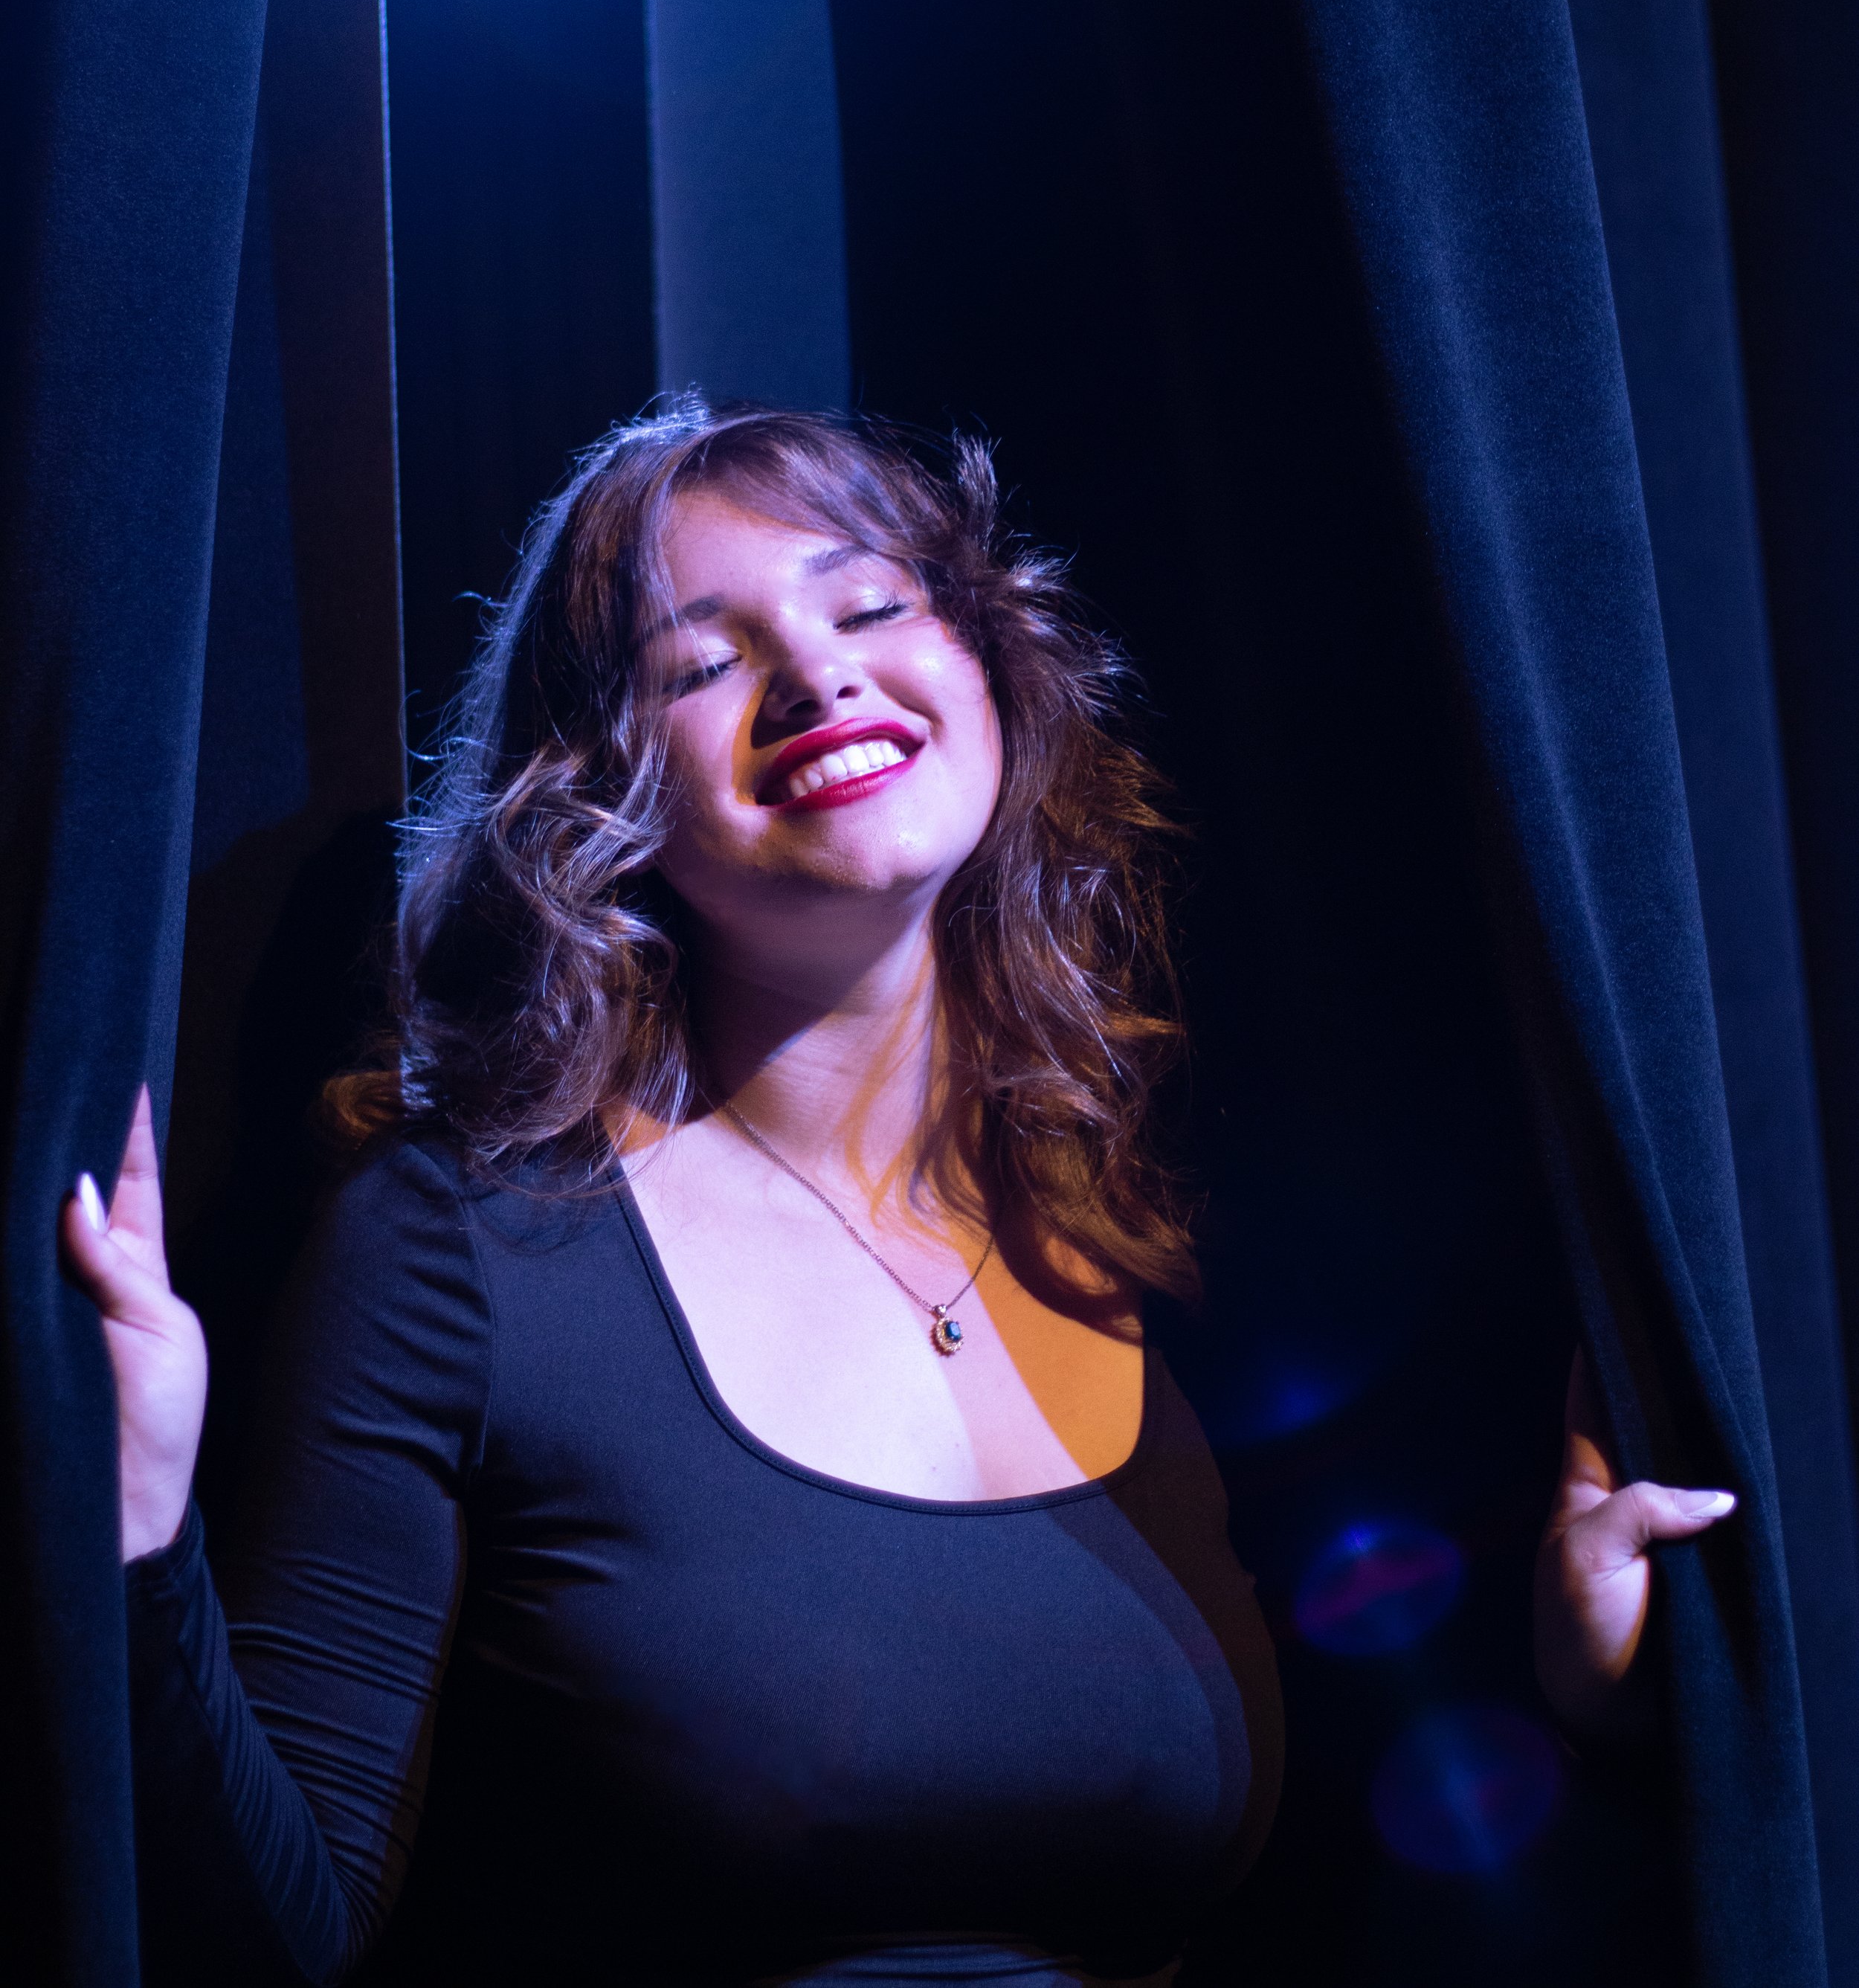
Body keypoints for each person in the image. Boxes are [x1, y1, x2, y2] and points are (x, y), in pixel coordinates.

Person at [62, 404, 1736, 1986]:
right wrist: (136, 1540)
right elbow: (280, 1940)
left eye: (869, 605)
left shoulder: (1132, 1225)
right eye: (704, 663)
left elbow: (1349, 1869)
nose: (814, 676)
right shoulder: (464, 1252)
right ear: (596, 796)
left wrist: (1580, 1703)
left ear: (989, 665)